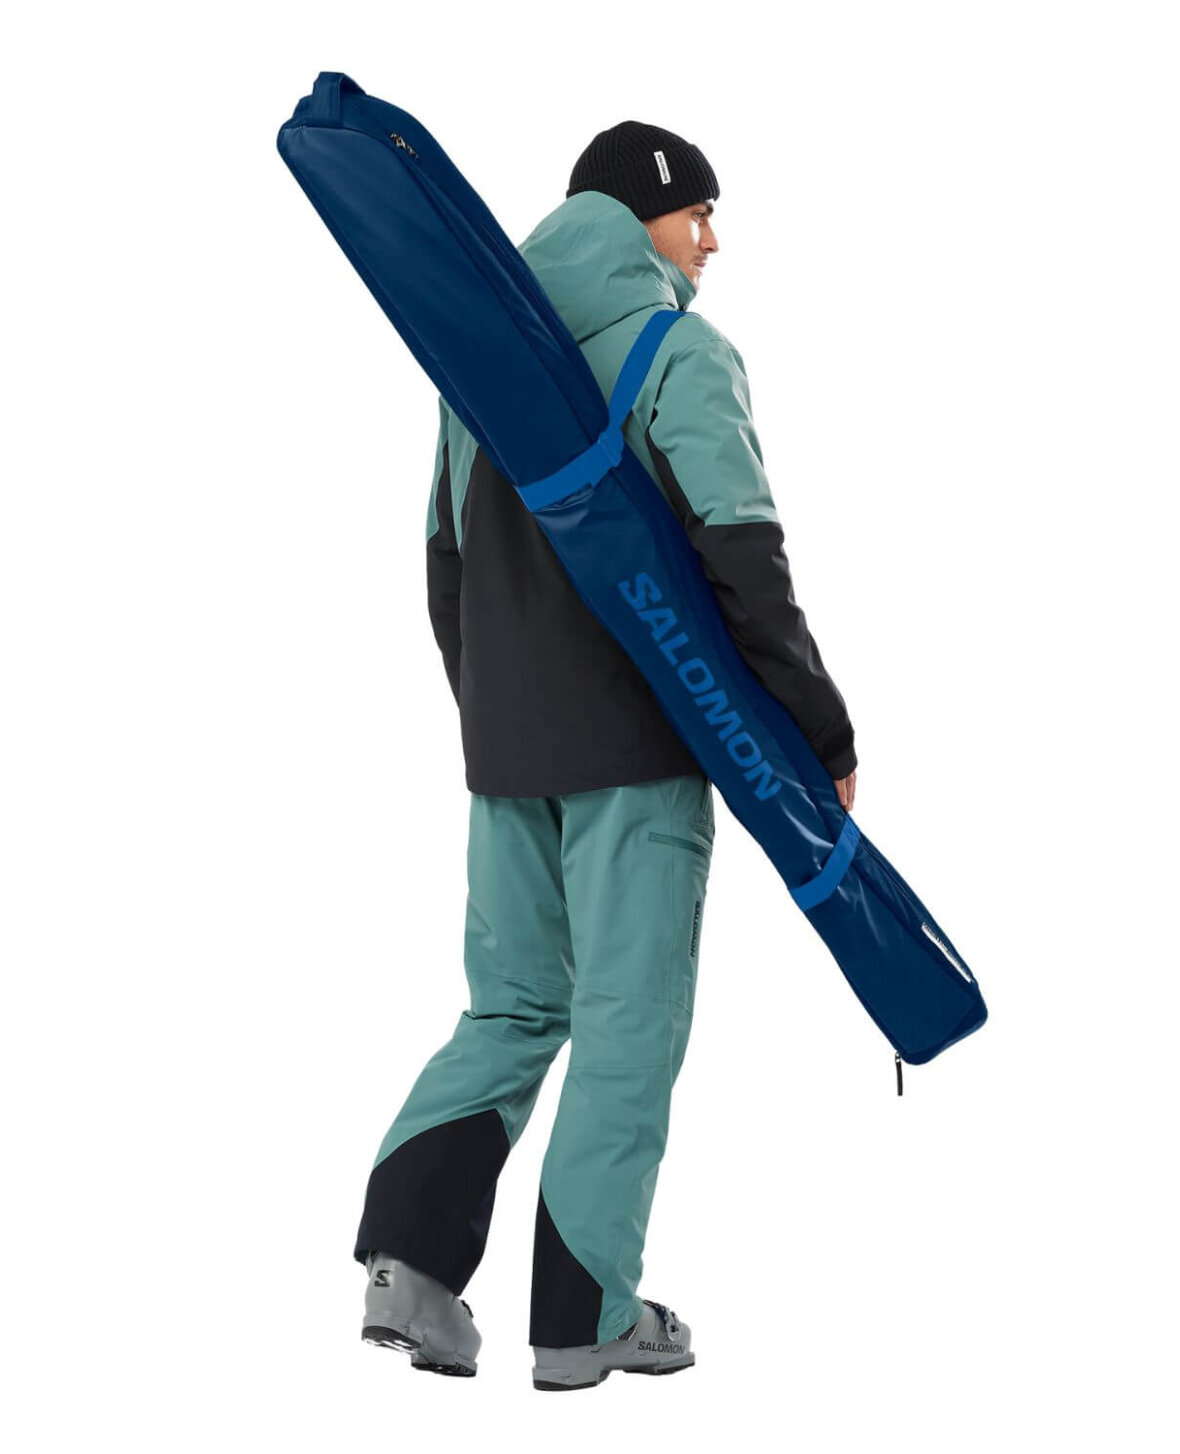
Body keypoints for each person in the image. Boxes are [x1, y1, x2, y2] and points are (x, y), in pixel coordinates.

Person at [352, 121, 858, 1390]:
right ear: (643, 217)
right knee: (628, 1021)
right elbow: (743, 555)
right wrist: (821, 731)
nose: (712, 242)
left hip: (506, 750)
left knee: (511, 1007)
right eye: (698, 215)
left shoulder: (475, 360)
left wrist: (496, 721)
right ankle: (585, 1318)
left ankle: (408, 1269)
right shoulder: (679, 353)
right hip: (640, 750)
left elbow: (443, 570)